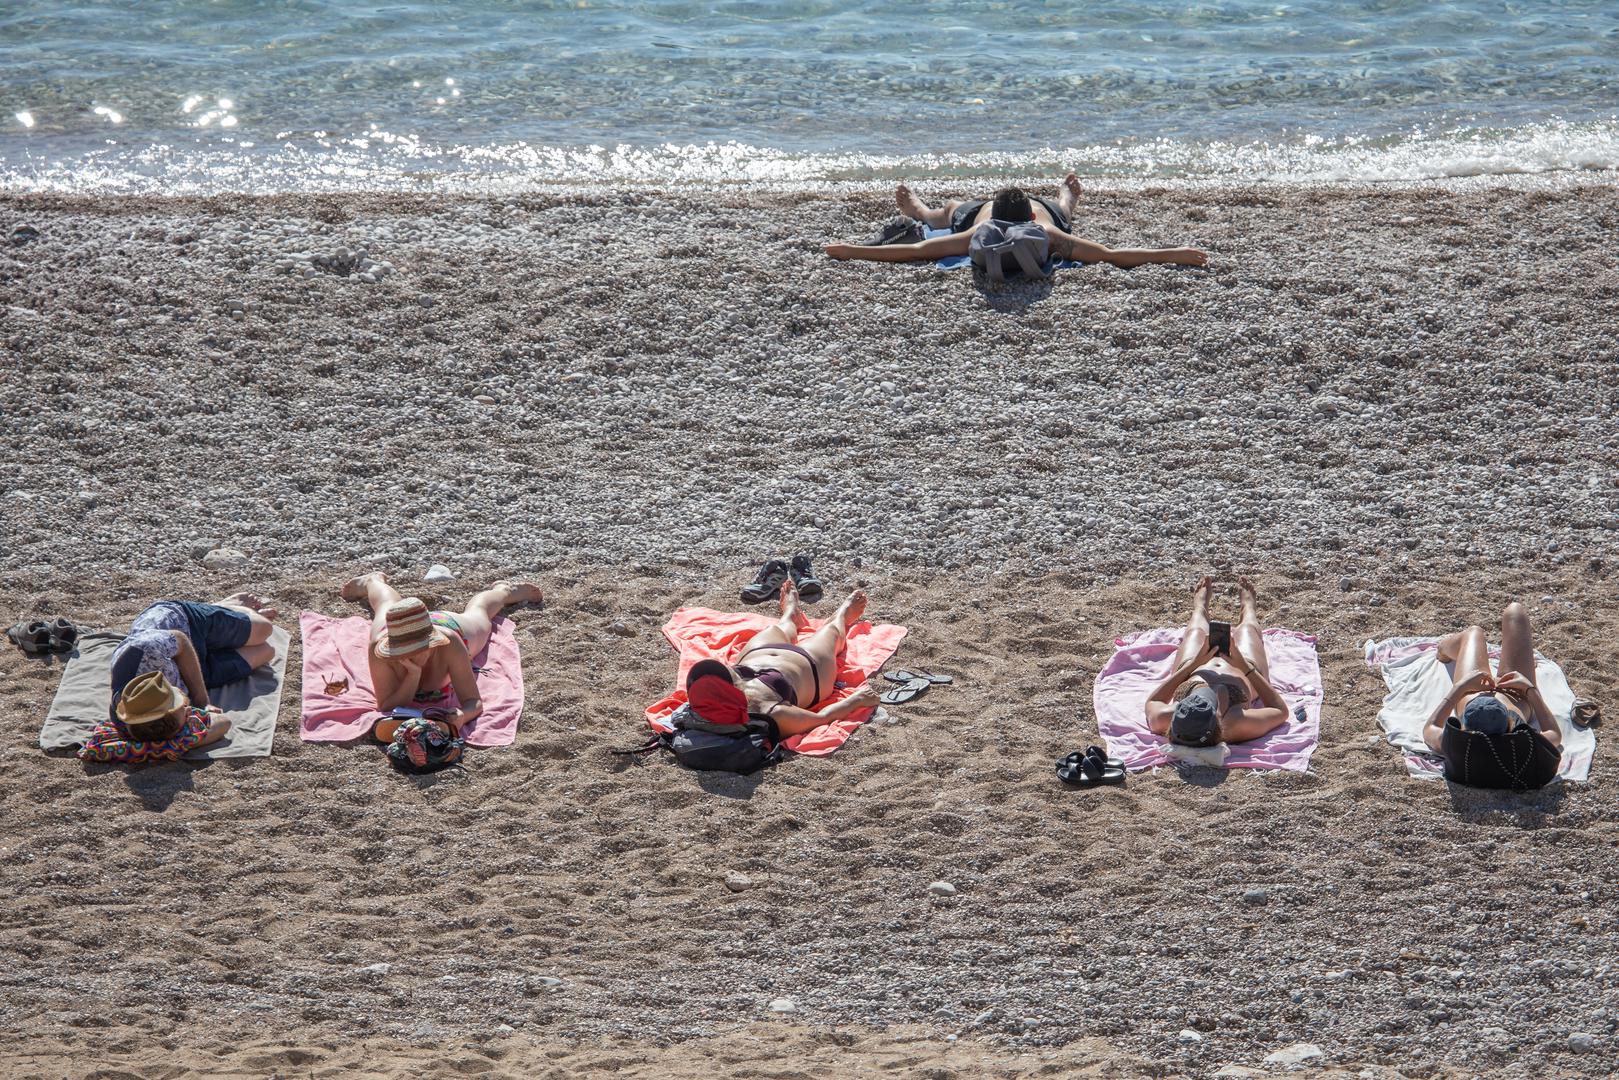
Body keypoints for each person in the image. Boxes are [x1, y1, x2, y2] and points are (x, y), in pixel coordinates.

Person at [823, 174, 1207, 269]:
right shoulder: (1045, 227)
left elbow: (920, 250)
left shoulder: (978, 225)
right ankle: (1065, 199)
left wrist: (851, 251)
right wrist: (1173, 253)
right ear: (1030, 216)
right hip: (1044, 213)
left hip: (976, 213)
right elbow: (1108, 254)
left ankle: (921, 211)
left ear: (992, 209)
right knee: (1064, 215)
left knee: (948, 210)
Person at [339, 573, 541, 742]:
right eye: (406, 650)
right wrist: (413, 674)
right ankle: (372, 581)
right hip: (397, 628)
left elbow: (473, 701)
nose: (411, 654)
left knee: (479, 614)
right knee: (387, 605)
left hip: (446, 625)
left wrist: (463, 716)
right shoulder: (380, 648)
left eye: (417, 649)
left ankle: (503, 591)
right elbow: (385, 706)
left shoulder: (450, 643)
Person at [690, 581, 880, 739]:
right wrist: (856, 700)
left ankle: (791, 614)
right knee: (832, 632)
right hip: (809, 666)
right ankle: (842, 615)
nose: (726, 673)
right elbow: (820, 718)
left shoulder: (703, 698)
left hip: (758, 654)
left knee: (778, 629)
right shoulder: (771, 713)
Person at [1421, 603, 1563, 789]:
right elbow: (1555, 734)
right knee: (1515, 611)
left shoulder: (1457, 746)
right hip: (1515, 695)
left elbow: (1429, 728)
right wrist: (1530, 690)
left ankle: (1443, 650)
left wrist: (1460, 687)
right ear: (1509, 723)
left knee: (1474, 632)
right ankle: (1453, 652)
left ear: (1466, 727)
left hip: (1480, 692)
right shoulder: (1523, 745)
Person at [1144, 576, 1293, 746]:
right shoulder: (1236, 724)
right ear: (1218, 720)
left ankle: (1200, 608)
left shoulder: (1165, 720)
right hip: (1243, 669)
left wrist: (1194, 664)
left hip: (1194, 667)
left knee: (1195, 632)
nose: (1210, 694)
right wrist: (1244, 667)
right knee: (1248, 630)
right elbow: (1280, 711)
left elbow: (1153, 702)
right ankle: (1248, 608)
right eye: (1210, 702)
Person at [107, 594, 278, 721]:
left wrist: (202, 701)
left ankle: (227, 607)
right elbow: (222, 725)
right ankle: (228, 618)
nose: (188, 711)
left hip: (186, 623)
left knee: (265, 629)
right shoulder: (137, 718)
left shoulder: (146, 649)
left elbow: (181, 638)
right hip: (191, 673)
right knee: (266, 651)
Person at [78, 670, 232, 764]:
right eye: (181, 707)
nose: (185, 707)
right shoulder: (183, 740)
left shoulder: (108, 743)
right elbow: (224, 722)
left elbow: (91, 748)